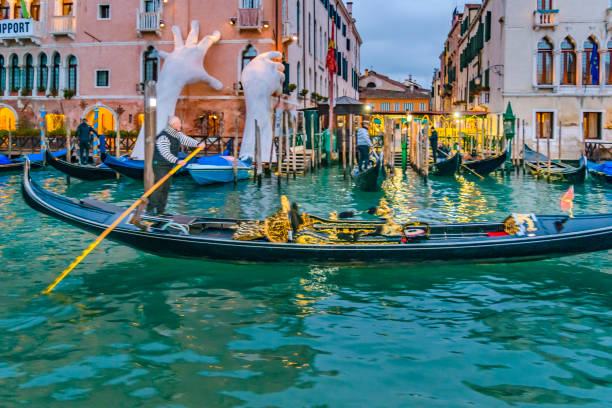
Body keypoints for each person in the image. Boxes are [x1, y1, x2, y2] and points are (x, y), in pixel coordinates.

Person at [147, 116, 206, 215]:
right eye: (179, 123)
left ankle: (160, 212)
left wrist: (198, 144)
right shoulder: (163, 137)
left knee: (165, 188)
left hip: (168, 165)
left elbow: (186, 140)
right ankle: (150, 211)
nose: (180, 125)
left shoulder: (177, 134)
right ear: (173, 125)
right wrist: (177, 160)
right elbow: (165, 153)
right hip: (160, 165)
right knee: (158, 187)